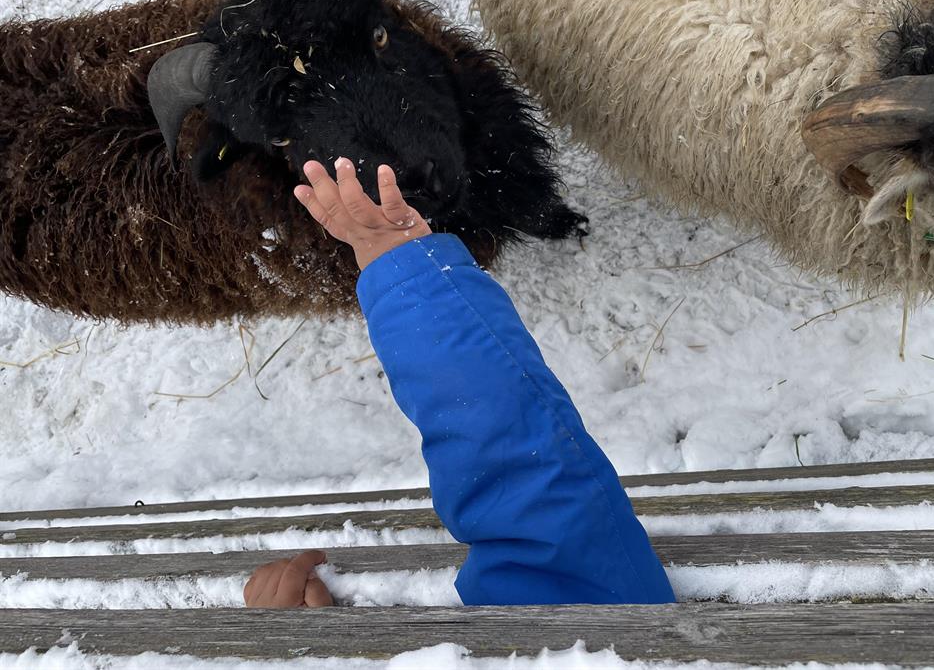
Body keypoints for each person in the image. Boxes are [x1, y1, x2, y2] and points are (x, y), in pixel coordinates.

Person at [243, 158, 675, 608]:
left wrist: (301, 654)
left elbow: (539, 501)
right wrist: (412, 283)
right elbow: (543, 507)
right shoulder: (597, 632)